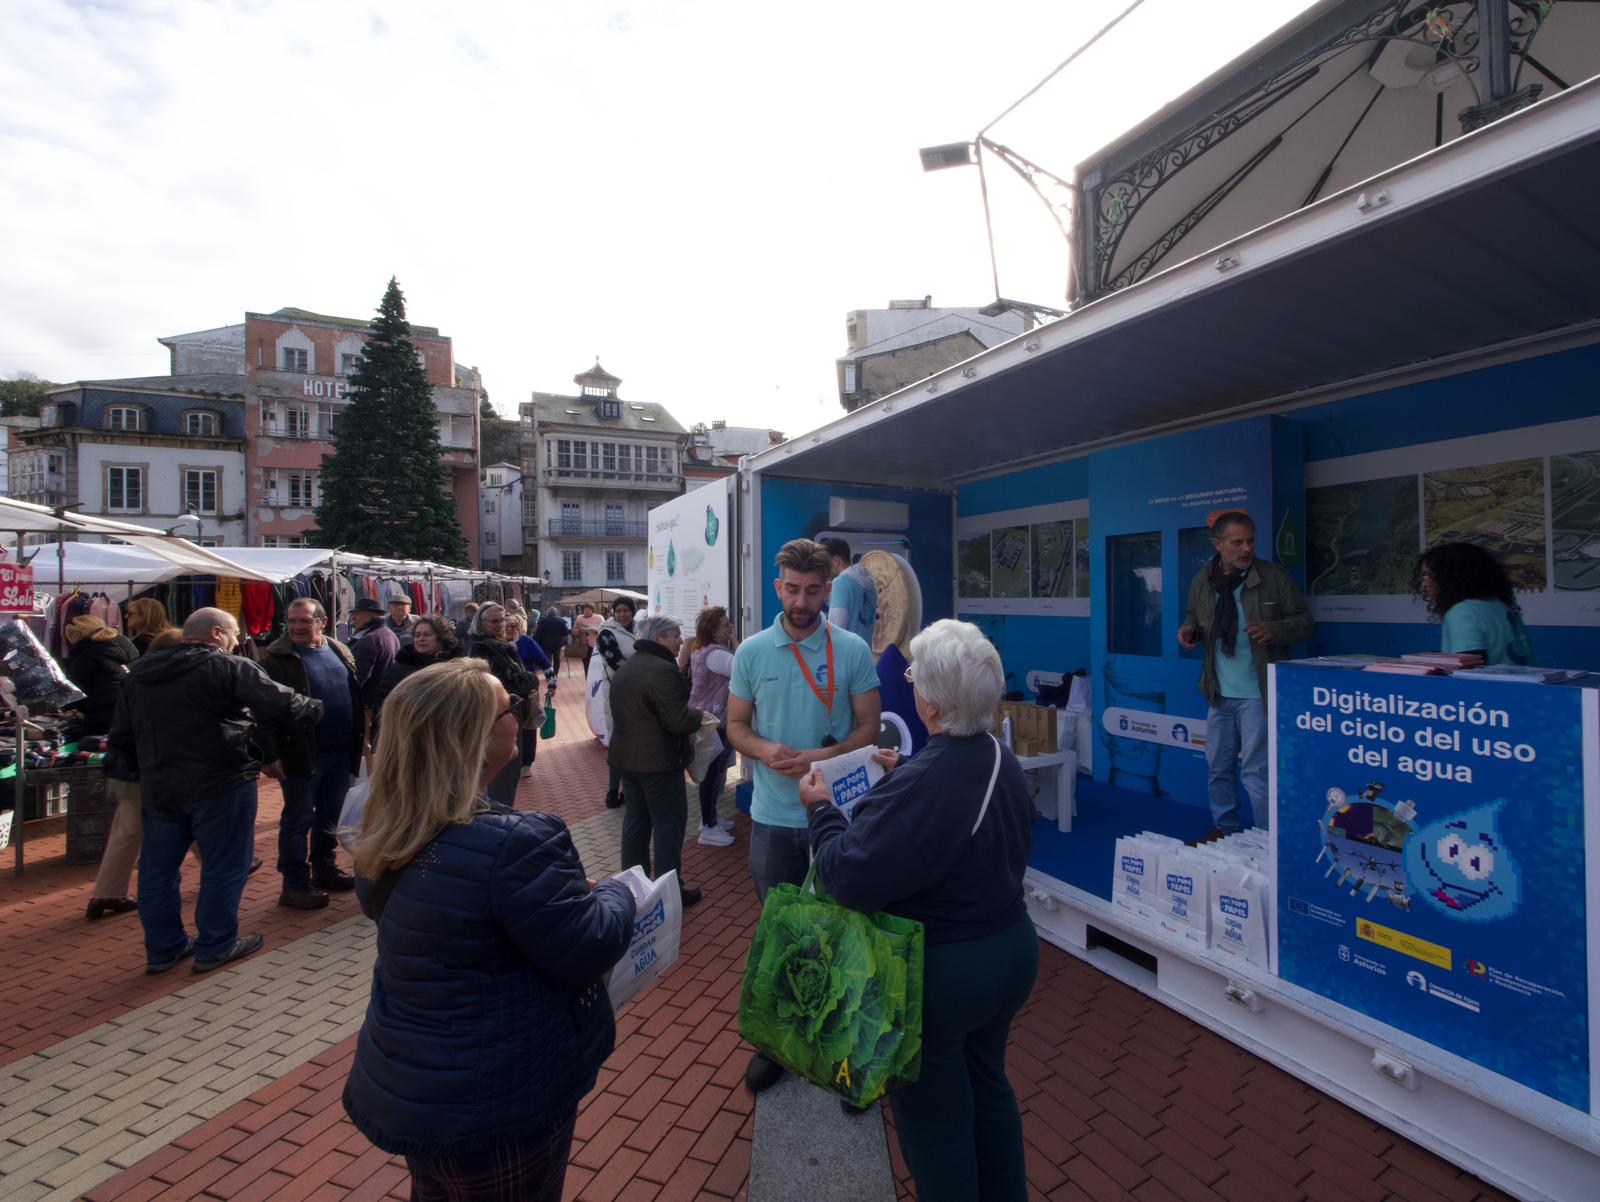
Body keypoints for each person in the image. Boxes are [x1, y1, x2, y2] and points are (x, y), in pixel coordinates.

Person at [342, 658, 636, 1201]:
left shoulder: (389, 821)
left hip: (415, 1081)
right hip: (495, 1100)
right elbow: (589, 945)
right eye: (510, 708)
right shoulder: (516, 842)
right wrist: (620, 893)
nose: (521, 716)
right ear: (473, 739)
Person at [799, 619, 1037, 1199]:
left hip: (946, 975)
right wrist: (904, 772)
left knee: (935, 1120)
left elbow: (846, 876)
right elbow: (959, 814)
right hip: (1011, 950)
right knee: (990, 1088)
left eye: (912, 678)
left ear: (929, 704)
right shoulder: (997, 755)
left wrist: (822, 812)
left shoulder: (927, 780)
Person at [728, 537, 881, 1092]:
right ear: (778, 587)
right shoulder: (751, 652)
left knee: (846, 928)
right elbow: (735, 726)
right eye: (792, 589)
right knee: (780, 930)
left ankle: (846, 1045)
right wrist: (764, 750)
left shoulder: (852, 649)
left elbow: (870, 728)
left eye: (813, 591)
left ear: (828, 590)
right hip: (772, 818)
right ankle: (777, 1042)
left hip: (836, 819)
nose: (801, 601)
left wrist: (817, 759)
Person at [109, 608, 322, 974]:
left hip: (161, 786)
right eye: (234, 634)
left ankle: (163, 948)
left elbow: (121, 737)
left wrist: (141, 772)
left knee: (158, 870)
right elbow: (281, 702)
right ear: (216, 633)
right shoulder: (226, 666)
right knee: (225, 865)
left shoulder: (140, 674)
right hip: (221, 782)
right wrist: (317, 707)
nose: (237, 641)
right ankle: (216, 944)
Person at [1178, 511, 1313, 840]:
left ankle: (1267, 842)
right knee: (1218, 767)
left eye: (1250, 541)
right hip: (1219, 692)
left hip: (1258, 693)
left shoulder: (1274, 576)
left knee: (1256, 772)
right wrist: (1189, 629)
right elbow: (1193, 614)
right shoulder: (1203, 579)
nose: (1246, 548)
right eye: (1237, 542)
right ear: (1218, 544)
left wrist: (1274, 630)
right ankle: (1224, 829)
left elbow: (1304, 623)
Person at [260, 598, 366, 910]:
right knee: (298, 819)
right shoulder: (277, 659)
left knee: (331, 815)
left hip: (341, 751)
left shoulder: (340, 650)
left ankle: (325, 868)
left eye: (304, 621)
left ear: (322, 622)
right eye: (292, 621)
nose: (296, 627)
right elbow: (264, 712)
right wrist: (269, 756)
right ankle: (294, 884)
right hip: (302, 754)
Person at [608, 615, 706, 908]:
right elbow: (678, 721)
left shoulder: (630, 665)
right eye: (675, 635)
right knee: (668, 826)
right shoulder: (661, 670)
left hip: (627, 759)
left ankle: (634, 889)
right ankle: (669, 891)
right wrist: (699, 716)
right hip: (658, 763)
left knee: (636, 822)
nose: (680, 641)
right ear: (658, 638)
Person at [1416, 542, 1537, 665]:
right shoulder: (1502, 607)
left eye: (1428, 575)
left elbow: (1469, 671)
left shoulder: (1463, 613)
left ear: (1450, 576)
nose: (1424, 583)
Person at [465, 602, 536, 806]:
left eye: (502, 620)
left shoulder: (496, 643)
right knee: (504, 769)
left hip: (507, 714)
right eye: (494, 621)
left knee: (506, 769)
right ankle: (500, 811)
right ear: (481, 622)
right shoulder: (485, 647)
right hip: (500, 715)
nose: (500, 625)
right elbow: (508, 683)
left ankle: (498, 808)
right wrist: (530, 678)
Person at [688, 605, 738, 848]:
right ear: (713, 630)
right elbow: (743, 668)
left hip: (707, 720)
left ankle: (710, 819)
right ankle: (708, 827)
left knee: (712, 775)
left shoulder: (702, 650)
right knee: (712, 777)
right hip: (714, 723)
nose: (730, 628)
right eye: (725, 625)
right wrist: (736, 641)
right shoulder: (716, 655)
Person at [372, 616, 461, 729]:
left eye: (427, 635)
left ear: (442, 638)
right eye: (417, 635)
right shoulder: (398, 669)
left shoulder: (456, 668)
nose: (421, 639)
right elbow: (382, 709)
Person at [594, 597, 639, 809]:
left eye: (626, 610)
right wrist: (646, 673)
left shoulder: (640, 629)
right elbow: (616, 663)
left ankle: (630, 791)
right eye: (618, 610)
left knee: (635, 742)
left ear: (633, 611)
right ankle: (613, 791)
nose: (622, 614)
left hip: (639, 694)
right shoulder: (606, 633)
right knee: (618, 743)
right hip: (619, 694)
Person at [61, 615, 139, 735]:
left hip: (100, 721)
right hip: (134, 715)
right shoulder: (127, 649)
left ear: (77, 636)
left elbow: (73, 696)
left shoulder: (84, 658)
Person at [347, 598, 400, 753]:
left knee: (366, 750)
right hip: (381, 701)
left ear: (371, 615)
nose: (354, 618)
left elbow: (357, 678)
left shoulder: (370, 639)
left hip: (368, 705)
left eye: (358, 614)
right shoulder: (387, 634)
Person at [506, 612, 551, 778]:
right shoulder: (498, 643)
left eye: (513, 626)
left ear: (520, 627)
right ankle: (510, 760)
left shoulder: (527, 642)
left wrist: (552, 684)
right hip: (506, 692)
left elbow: (545, 662)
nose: (509, 629)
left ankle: (526, 763)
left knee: (528, 727)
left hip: (527, 692)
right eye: (506, 626)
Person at [823, 537, 878, 647]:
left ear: (835, 561)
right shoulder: (871, 587)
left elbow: (835, 631)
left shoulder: (840, 583)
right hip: (865, 652)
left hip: (845, 654)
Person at [535, 604, 569, 672]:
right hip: (557, 644)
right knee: (557, 659)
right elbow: (566, 632)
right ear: (556, 613)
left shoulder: (543, 621)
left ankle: (549, 673)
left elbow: (538, 634)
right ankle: (556, 673)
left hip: (545, 644)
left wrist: (537, 643)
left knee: (547, 659)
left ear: (548, 613)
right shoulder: (561, 621)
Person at [573, 603, 604, 673]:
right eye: (585, 609)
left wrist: (588, 630)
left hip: (596, 647)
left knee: (597, 667)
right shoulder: (579, 618)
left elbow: (602, 630)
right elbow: (573, 632)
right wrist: (579, 631)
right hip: (584, 647)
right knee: (586, 666)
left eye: (588, 609)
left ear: (593, 610)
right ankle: (588, 679)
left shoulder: (599, 618)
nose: (586, 611)